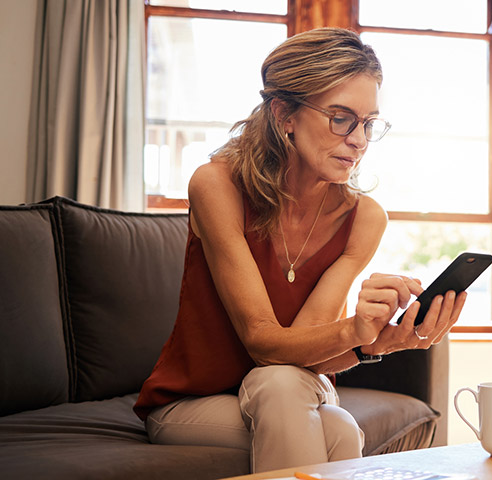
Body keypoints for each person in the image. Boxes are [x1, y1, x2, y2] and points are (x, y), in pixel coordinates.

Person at [134, 27, 467, 473]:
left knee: (284, 386)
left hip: (295, 388)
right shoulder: (217, 185)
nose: (359, 139)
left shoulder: (363, 217)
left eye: (368, 123)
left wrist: (378, 344)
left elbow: (301, 351)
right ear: (284, 114)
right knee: (337, 428)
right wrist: (356, 330)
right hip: (194, 402)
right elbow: (264, 344)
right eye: (341, 117)